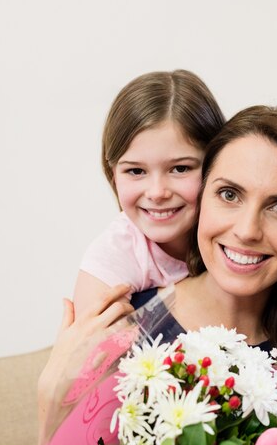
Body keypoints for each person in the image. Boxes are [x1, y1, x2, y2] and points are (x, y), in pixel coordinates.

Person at [39, 104, 277, 445]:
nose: (247, 230)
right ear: (201, 198)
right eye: (229, 194)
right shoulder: (130, 328)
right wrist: (51, 393)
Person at [73, 69, 225, 316]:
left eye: (179, 168)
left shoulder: (238, 233)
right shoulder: (114, 254)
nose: (157, 193)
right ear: (113, 174)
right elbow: (87, 351)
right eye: (135, 171)